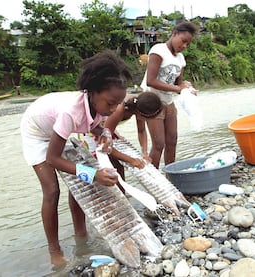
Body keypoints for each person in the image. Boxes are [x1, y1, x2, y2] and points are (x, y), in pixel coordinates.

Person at [20, 51, 131, 267]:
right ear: (92, 92)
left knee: (80, 180)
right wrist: (94, 174)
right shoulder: (71, 112)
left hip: (57, 131)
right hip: (36, 133)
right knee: (52, 190)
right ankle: (55, 250)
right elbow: (52, 158)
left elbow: (92, 124)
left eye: (117, 104)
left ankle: (80, 234)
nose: (112, 110)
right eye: (110, 103)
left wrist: (104, 132)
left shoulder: (99, 105)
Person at [140, 21, 198, 168]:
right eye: (183, 41)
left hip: (168, 100)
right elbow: (150, 81)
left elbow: (178, 84)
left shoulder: (180, 59)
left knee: (172, 140)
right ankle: (154, 179)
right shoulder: (158, 50)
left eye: (188, 44)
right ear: (175, 34)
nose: (184, 46)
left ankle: (171, 174)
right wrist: (178, 89)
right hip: (151, 101)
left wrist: (187, 88)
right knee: (159, 143)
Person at [103, 92, 163, 180]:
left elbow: (141, 131)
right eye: (146, 119)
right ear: (140, 113)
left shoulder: (138, 105)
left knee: (118, 170)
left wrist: (144, 153)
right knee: (111, 170)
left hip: (105, 127)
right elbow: (105, 143)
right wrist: (131, 160)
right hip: (91, 129)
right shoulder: (120, 109)